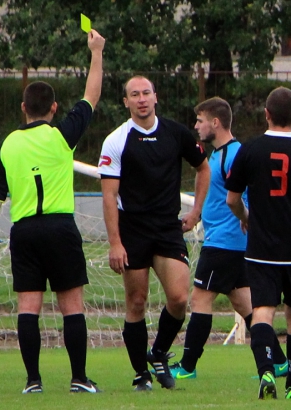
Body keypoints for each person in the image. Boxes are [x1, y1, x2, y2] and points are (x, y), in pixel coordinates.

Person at [0, 29, 105, 394]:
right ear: (54, 108)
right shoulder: (62, 136)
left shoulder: (7, 145)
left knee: (28, 307)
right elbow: (91, 96)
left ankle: (33, 381)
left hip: (24, 232)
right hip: (60, 228)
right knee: (72, 306)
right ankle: (78, 379)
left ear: (23, 108)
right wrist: (96, 52)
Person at [97, 75, 210, 391]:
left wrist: (195, 212)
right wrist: (115, 243)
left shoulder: (176, 133)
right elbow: (109, 196)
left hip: (167, 228)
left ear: (155, 97)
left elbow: (203, 169)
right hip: (132, 230)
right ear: (126, 102)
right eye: (134, 94)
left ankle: (158, 352)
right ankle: (140, 374)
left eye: (146, 93)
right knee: (136, 301)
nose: (142, 99)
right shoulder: (116, 140)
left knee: (179, 298)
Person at [168, 97, 287, 380]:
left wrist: (248, 219)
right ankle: (280, 362)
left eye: (200, 121)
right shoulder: (217, 155)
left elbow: (252, 192)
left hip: (225, 242)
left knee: (200, 299)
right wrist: (196, 217)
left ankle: (188, 366)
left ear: (215, 123)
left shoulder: (234, 155)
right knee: (245, 303)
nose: (196, 126)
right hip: (225, 240)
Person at [226, 86, 291, 400]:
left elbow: (232, 200)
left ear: (266, 114)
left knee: (262, 311)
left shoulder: (249, 150)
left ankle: (266, 370)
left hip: (261, 248)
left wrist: (246, 216)